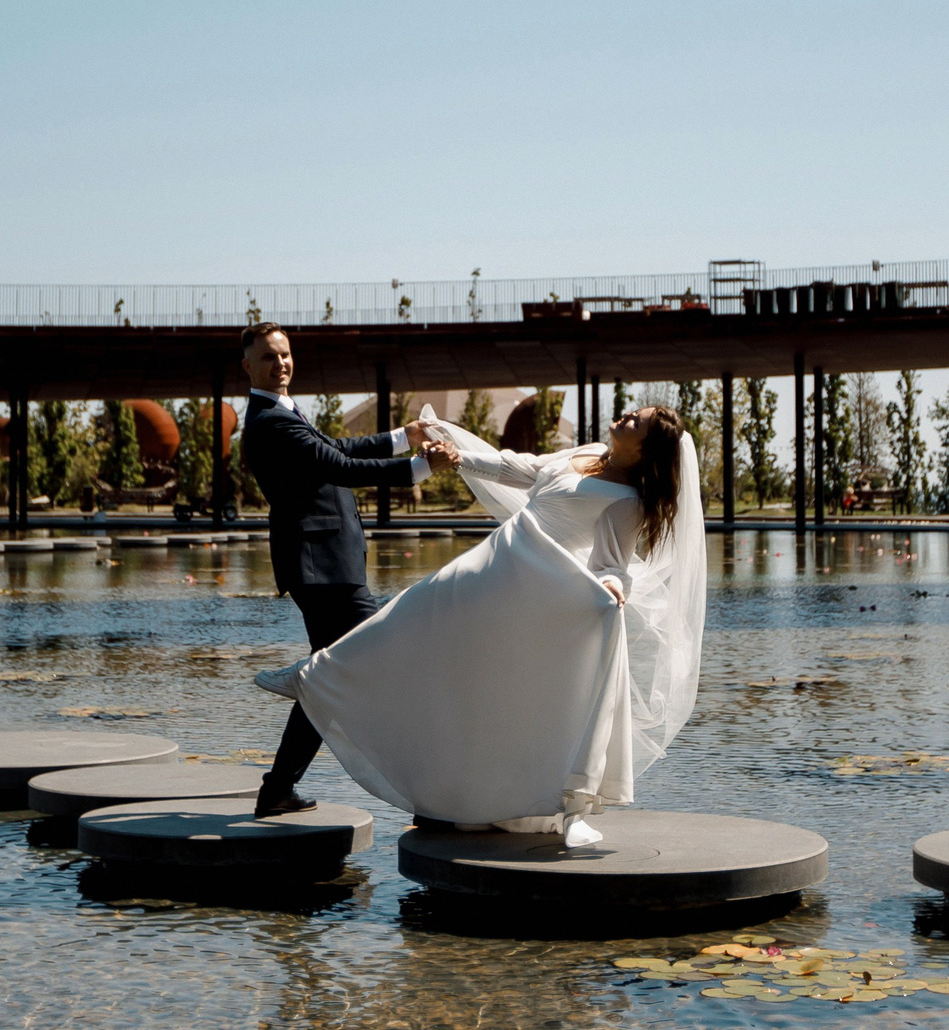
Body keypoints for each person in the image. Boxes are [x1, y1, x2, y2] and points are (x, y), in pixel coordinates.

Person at [255, 401, 704, 846]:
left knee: (475, 689)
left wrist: (611, 588)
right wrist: (459, 458)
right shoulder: (584, 453)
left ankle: (317, 680)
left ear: (646, 449)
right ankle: (319, 678)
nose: (625, 417)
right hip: (492, 564)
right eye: (631, 413)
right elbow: (522, 468)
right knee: (409, 616)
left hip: (527, 594)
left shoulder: (625, 501)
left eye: (636, 422)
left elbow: (611, 564)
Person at [237, 321, 456, 817]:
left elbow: (339, 449)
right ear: (248, 366)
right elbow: (339, 467)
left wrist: (404, 437)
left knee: (334, 679)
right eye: (269, 357)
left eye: (286, 354)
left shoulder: (284, 412)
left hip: (328, 565)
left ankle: (278, 788)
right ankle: (433, 792)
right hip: (322, 570)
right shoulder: (270, 421)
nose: (282, 364)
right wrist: (421, 467)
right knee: (378, 663)